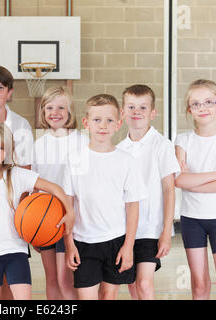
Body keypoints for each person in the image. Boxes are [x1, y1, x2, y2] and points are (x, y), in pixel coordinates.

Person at [0, 122, 75, 300]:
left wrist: (69, 212)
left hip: (16, 252)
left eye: (0, 147)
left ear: (8, 153)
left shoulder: (17, 175)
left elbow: (55, 188)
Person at [63, 94, 142, 300]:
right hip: (83, 241)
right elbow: (67, 207)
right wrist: (69, 243)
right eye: (97, 120)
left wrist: (128, 246)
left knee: (109, 295)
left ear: (118, 124)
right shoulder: (74, 159)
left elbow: (132, 206)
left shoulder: (127, 161)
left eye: (109, 120)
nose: (103, 126)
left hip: (116, 240)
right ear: (86, 123)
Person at [174, 79, 216, 300]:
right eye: (195, 104)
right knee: (200, 285)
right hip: (191, 219)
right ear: (189, 109)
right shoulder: (183, 140)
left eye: (209, 102)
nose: (202, 108)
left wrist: (193, 182)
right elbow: (179, 181)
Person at [117, 84, 180, 300]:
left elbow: (169, 189)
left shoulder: (162, 145)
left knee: (144, 283)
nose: (137, 112)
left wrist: (166, 231)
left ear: (152, 113)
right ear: (122, 112)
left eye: (143, 107)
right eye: (131, 107)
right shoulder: (119, 150)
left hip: (151, 229)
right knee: (133, 284)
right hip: (126, 230)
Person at [32, 86, 88, 300]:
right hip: (45, 220)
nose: (55, 112)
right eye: (49, 107)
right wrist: (34, 224)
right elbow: (35, 187)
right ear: (43, 111)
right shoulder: (38, 144)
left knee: (67, 281)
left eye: (61, 107)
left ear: (70, 111)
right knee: (52, 279)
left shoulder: (82, 142)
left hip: (72, 220)